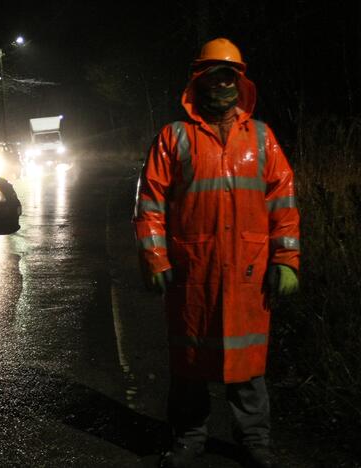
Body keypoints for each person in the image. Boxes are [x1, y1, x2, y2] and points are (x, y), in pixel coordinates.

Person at [133, 38, 300, 468]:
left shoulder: (262, 138)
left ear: (240, 82)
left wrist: (286, 259)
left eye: (229, 76)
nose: (221, 85)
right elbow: (150, 203)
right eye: (214, 76)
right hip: (194, 273)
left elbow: (283, 201)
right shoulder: (174, 137)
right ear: (198, 82)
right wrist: (155, 258)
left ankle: (255, 442)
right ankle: (188, 438)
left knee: (248, 365)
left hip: (248, 272)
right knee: (190, 362)